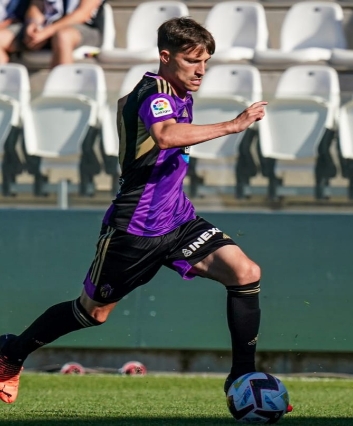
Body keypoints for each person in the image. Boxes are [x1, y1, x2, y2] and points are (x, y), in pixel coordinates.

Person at [0, 17, 269, 405]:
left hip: (178, 219)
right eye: (192, 60)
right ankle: (11, 352)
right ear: (166, 57)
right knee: (92, 313)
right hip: (137, 227)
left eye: (205, 62)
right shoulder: (154, 93)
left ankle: (243, 376)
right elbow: (166, 135)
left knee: (245, 272)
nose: (201, 70)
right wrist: (233, 125)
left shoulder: (176, 92)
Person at [9, 0, 104, 67]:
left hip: (83, 29)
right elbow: (36, 6)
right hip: (45, 29)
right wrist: (33, 24)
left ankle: (62, 88)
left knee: (63, 36)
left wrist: (46, 32)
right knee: (3, 38)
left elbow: (83, 14)